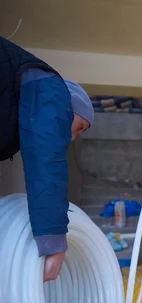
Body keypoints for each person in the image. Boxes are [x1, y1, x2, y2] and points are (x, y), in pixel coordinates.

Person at [0, 37, 94, 282]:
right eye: (79, 126)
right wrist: (53, 240)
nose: (73, 137)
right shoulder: (50, 89)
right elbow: (46, 165)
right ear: (67, 106)